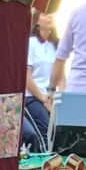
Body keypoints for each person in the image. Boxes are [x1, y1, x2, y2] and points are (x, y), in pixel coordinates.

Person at [22, 11, 60, 153]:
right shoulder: (31, 43)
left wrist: (59, 96)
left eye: (52, 14)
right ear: (37, 21)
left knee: (58, 133)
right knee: (43, 133)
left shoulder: (55, 45)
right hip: (32, 97)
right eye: (45, 14)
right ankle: (46, 167)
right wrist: (43, 98)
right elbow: (27, 77)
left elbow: (61, 76)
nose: (50, 17)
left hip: (51, 97)